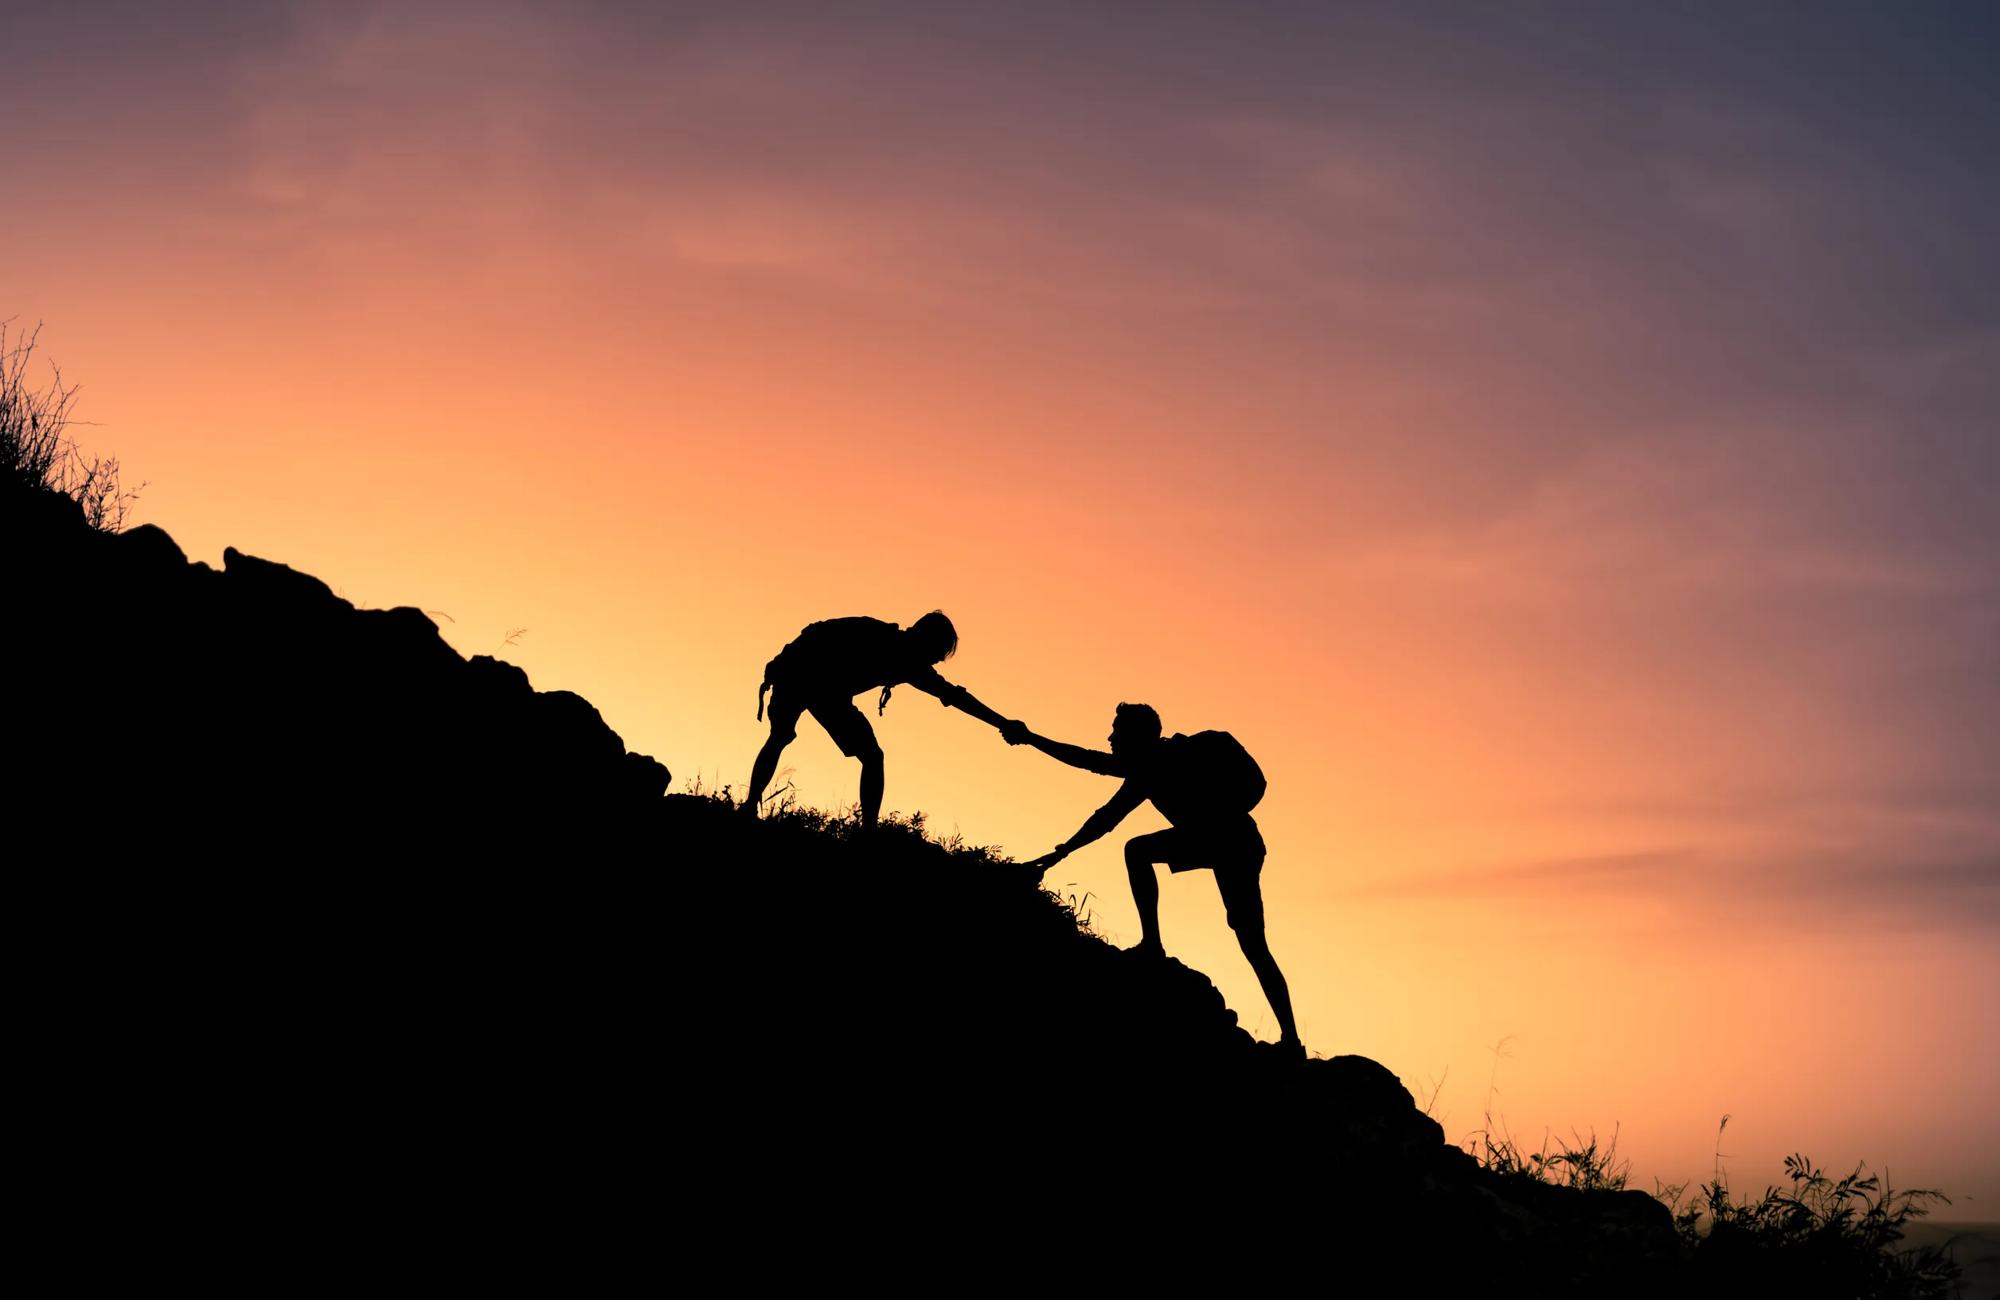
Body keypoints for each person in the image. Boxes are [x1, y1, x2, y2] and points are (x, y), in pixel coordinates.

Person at [1006, 703, 1303, 1056]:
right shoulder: (1146, 772)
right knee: (1139, 852)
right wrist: (1060, 853)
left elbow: (1090, 763)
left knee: (1253, 944)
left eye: (1117, 731)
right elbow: (1104, 814)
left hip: (1236, 845)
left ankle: (1290, 1040)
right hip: (1229, 841)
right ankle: (1153, 945)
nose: (1111, 737)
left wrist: (1029, 739)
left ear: (1138, 735)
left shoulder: (1164, 760)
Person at [744, 611, 1015, 827]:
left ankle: (866, 833)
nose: (934, 662)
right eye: (935, 654)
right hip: (803, 674)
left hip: (815, 684)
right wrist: (782, 664)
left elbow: (954, 696)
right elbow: (818, 632)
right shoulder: (878, 636)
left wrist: (1003, 723)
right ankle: (866, 833)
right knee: (862, 755)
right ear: (926, 641)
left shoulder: (907, 659)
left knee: (789, 740)